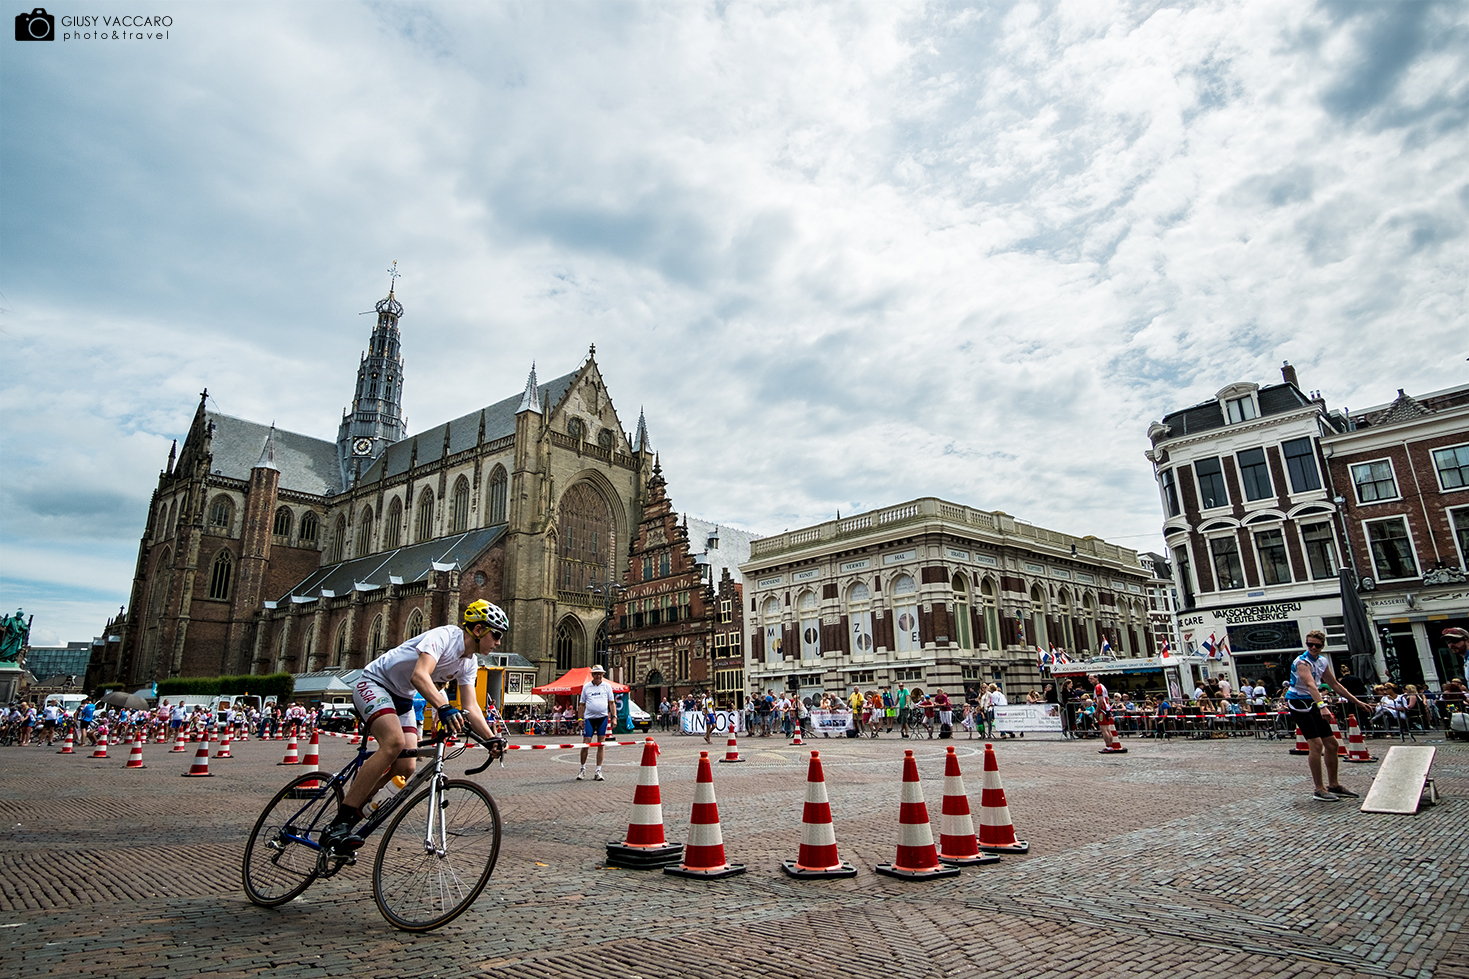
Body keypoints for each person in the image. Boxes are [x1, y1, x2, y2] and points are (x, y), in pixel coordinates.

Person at [319, 600, 507, 853]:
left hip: (403, 698)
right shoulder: (444, 637)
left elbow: (472, 706)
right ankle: (338, 822)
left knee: (406, 766)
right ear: (478, 630)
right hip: (376, 683)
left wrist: (490, 738)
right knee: (393, 743)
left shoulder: (468, 663)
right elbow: (420, 675)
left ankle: (352, 821)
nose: (498, 642)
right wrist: (444, 706)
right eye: (496, 635)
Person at [1285, 629, 1374, 802]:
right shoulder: (1302, 663)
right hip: (1299, 703)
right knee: (1316, 745)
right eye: (1310, 644)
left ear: (1322, 646)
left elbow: (1334, 684)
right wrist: (1322, 706)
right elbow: (1311, 685)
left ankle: (1334, 784)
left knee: (1332, 745)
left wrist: (1357, 702)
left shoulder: (1322, 661)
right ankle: (1319, 788)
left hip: (1312, 702)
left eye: (1317, 645)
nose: (1313, 648)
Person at [575, 664, 618, 780]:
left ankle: (598, 770)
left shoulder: (607, 687)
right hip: (589, 718)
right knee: (586, 743)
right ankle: (582, 768)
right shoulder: (586, 687)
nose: (598, 676)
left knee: (601, 744)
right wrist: (580, 719)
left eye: (600, 674)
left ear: (603, 675)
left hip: (602, 718)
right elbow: (582, 705)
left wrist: (614, 717)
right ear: (593, 675)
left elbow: (612, 703)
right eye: (596, 674)